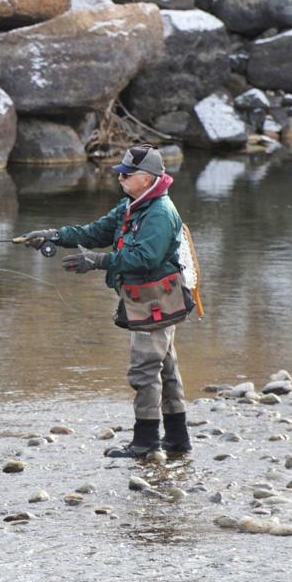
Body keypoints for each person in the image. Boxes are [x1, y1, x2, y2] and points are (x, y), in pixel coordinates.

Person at [18, 145, 192, 459]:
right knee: (165, 368)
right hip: (148, 300)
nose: (121, 177)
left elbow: (145, 257)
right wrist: (54, 236)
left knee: (144, 370)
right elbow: (95, 231)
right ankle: (178, 440)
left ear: (148, 178)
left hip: (154, 302)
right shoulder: (131, 205)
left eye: (127, 174)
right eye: (120, 173)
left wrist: (98, 262)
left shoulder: (160, 213)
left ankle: (146, 441)